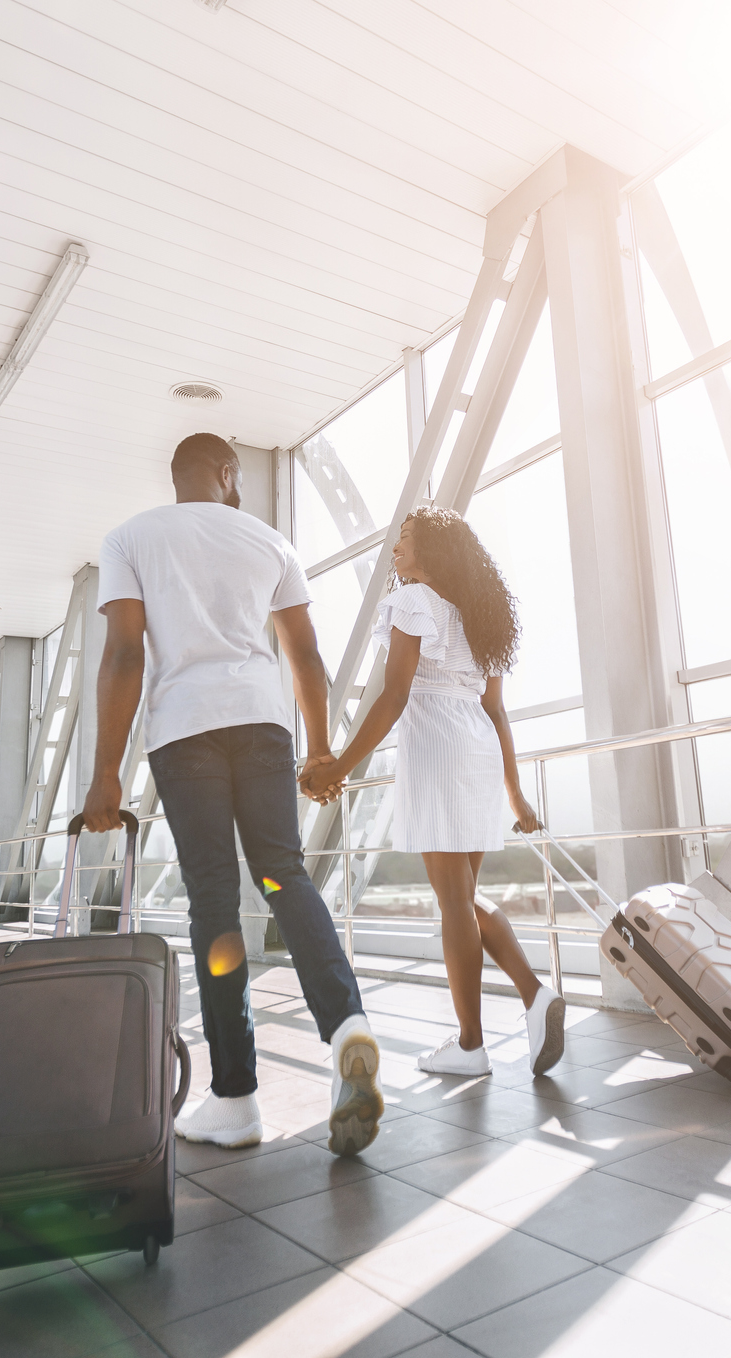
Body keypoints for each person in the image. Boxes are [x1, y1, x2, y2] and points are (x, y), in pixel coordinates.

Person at [82, 434, 382, 1156]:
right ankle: (346, 1025)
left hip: (185, 731)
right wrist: (318, 748)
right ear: (224, 473)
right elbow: (304, 653)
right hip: (262, 721)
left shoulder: (130, 539)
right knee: (283, 872)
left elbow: (124, 653)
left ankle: (236, 1100)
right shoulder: (269, 540)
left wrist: (104, 771)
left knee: (213, 899)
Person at [301, 507, 563, 1078]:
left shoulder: (415, 602)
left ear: (434, 552)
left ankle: (472, 1044)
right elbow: (495, 712)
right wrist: (515, 795)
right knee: (464, 898)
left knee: (453, 903)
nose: (396, 549)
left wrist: (339, 767)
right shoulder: (483, 617)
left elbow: (394, 697)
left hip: (440, 750)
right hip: (476, 750)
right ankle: (535, 998)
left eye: (406, 539)